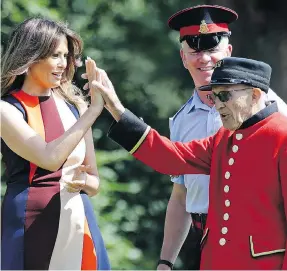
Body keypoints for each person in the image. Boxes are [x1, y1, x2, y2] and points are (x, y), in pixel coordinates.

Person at [86, 56, 287, 270]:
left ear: (254, 95)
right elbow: (170, 157)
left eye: (225, 96)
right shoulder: (223, 137)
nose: (218, 105)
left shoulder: (281, 136)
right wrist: (116, 108)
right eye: (215, 96)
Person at [158, 5, 287, 270]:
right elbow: (181, 196)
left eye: (212, 49)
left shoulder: (268, 108)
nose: (204, 59)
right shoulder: (181, 120)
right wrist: (165, 262)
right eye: (194, 50)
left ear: (228, 52)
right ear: (183, 58)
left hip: (259, 248)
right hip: (207, 244)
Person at [0, 18, 110, 270]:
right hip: (30, 222)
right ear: (30, 58)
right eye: (55, 56)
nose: (63, 64)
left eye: (66, 56)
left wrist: (85, 183)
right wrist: (94, 111)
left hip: (78, 219)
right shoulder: (6, 109)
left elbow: (93, 181)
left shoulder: (76, 107)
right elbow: (49, 159)